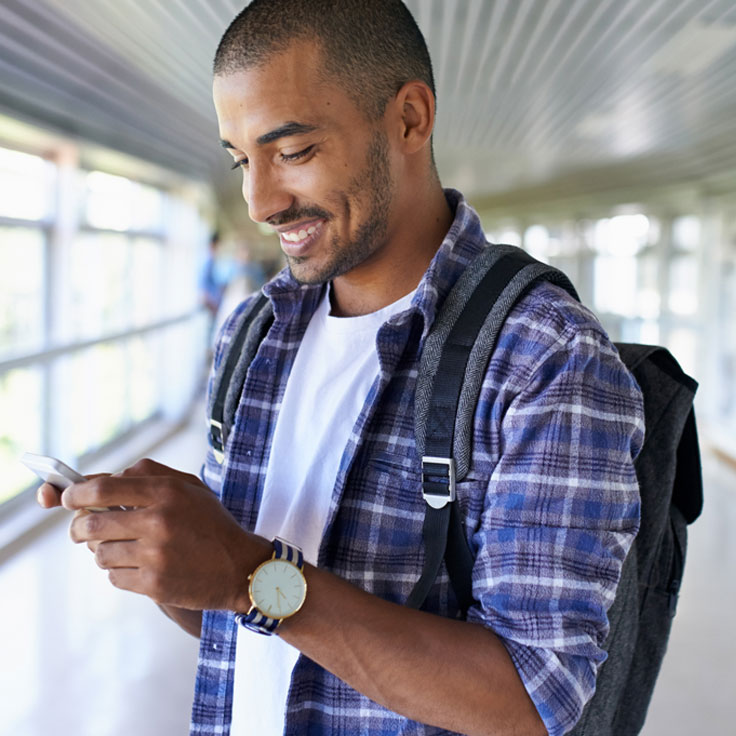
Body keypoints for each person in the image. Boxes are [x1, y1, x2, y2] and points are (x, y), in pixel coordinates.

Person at [38, 1, 645, 734]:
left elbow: (529, 701)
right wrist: (178, 561)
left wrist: (242, 571)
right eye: (240, 160)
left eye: (292, 152)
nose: (259, 200)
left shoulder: (544, 360)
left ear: (411, 120)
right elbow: (259, 625)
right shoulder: (254, 334)